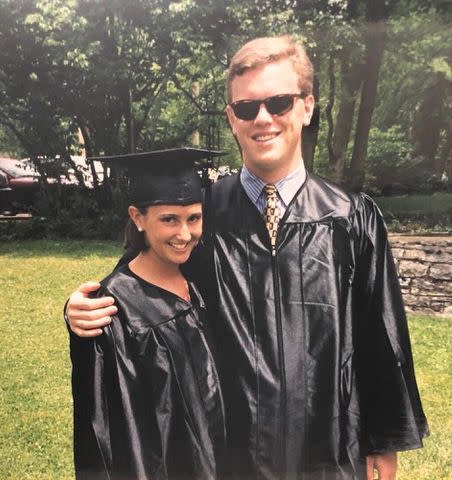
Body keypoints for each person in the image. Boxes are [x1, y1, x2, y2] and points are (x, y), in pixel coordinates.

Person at [67, 36, 428, 480]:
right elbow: (147, 277)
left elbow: (381, 331)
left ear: (307, 107)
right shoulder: (203, 214)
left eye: (279, 103)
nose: (263, 119)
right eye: (246, 108)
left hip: (330, 445)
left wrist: (383, 440)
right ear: (231, 119)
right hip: (230, 453)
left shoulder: (350, 216)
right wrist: (87, 306)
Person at [69, 148, 226, 479]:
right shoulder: (113, 309)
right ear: (138, 217)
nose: (185, 235)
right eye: (169, 219)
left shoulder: (201, 278)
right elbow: (104, 437)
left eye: (193, 218)